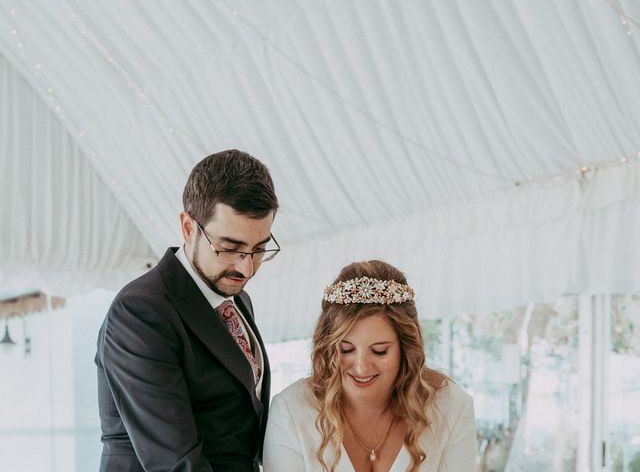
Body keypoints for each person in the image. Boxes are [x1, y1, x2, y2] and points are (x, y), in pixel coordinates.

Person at [95, 149, 280, 472]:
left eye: (260, 249)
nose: (246, 268)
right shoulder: (140, 312)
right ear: (187, 227)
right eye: (229, 248)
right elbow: (176, 463)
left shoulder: (236, 300)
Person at [263, 260, 477, 472]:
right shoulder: (291, 410)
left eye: (379, 351)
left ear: (406, 348)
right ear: (328, 347)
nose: (362, 368)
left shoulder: (450, 407)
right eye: (346, 350)